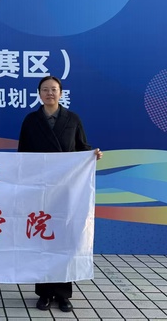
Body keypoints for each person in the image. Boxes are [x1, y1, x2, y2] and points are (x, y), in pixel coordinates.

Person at [17, 75, 102, 313]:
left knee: (64, 240)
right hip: (41, 189)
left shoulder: (72, 119)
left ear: (61, 93)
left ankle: (64, 294)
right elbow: (23, 155)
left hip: (67, 189)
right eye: (45, 89)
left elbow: (82, 148)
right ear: (39, 94)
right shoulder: (31, 120)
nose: (50, 93)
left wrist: (92, 155)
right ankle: (44, 293)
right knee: (43, 240)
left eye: (54, 89)